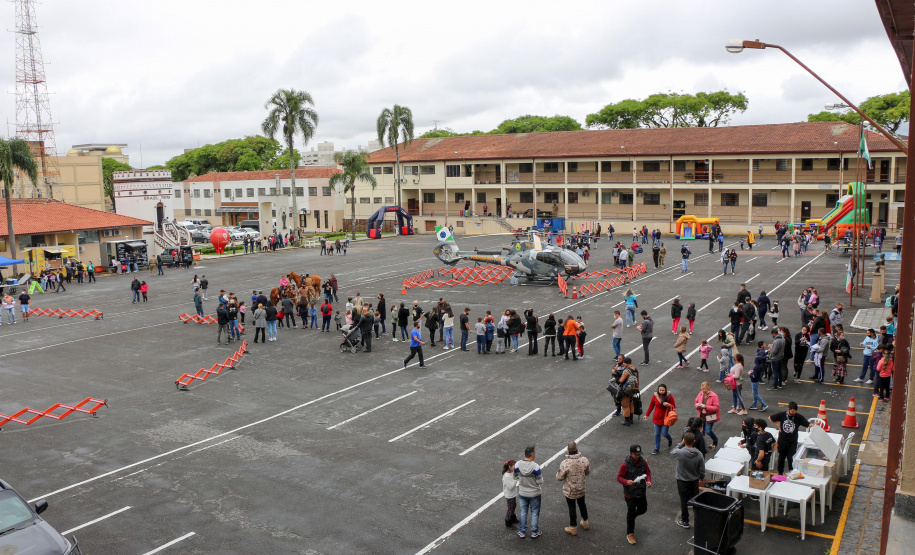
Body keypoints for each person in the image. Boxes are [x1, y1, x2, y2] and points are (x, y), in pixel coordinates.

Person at [617, 444, 652, 545]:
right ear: (630, 453)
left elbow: (648, 473)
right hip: (630, 494)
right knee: (631, 512)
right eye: (635, 454)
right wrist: (626, 482)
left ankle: (631, 517)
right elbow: (619, 477)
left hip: (641, 493)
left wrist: (648, 481)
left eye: (639, 454)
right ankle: (630, 533)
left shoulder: (643, 462)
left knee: (643, 509)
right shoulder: (624, 465)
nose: (637, 456)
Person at [670, 432, 705, 529]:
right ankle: (698, 519)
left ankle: (685, 521)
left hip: (682, 480)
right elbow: (702, 468)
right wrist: (701, 476)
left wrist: (681, 444)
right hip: (694, 480)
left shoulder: (680, 453)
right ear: (694, 441)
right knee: (695, 499)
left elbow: (672, 452)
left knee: (683, 500)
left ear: (684, 440)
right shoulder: (699, 454)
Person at [556, 441, 591, 536]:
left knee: (572, 507)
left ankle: (573, 527)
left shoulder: (565, 463)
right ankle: (585, 522)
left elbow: (559, 477)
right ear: (576, 448)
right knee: (582, 504)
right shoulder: (584, 460)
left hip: (570, 490)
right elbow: (588, 472)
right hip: (581, 488)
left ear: (568, 450)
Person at [769, 402, 809, 475]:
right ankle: (780, 473)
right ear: (788, 409)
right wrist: (778, 425)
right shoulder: (782, 415)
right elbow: (770, 418)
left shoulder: (798, 417)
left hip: (792, 441)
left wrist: (815, 424)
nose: (793, 413)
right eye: (791, 412)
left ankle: (792, 472)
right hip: (782, 440)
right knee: (781, 458)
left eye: (794, 412)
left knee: (791, 458)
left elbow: (807, 424)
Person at [514, 446, 543, 539]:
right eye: (535, 452)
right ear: (532, 455)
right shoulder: (536, 466)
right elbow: (540, 481)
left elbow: (515, 477)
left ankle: (522, 531)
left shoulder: (518, 464)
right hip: (534, 493)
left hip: (522, 492)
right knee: (534, 512)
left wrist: (522, 480)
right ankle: (534, 531)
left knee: (523, 512)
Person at [644, 384, 676, 454]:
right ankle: (657, 448)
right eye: (660, 390)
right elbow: (651, 406)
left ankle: (670, 438)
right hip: (656, 418)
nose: (661, 391)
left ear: (665, 390)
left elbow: (674, 406)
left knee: (664, 433)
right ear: (658, 390)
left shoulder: (669, 396)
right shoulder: (655, 396)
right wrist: (647, 415)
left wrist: (669, 405)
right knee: (657, 434)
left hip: (666, 418)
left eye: (663, 390)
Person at [695, 382, 720, 450]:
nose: (703, 390)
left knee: (708, 431)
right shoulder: (700, 394)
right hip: (701, 416)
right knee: (701, 432)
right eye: (702, 389)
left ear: (708, 388)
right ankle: (701, 445)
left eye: (705, 389)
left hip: (710, 416)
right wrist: (697, 406)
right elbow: (696, 401)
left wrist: (706, 407)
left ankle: (715, 439)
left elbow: (716, 407)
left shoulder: (714, 396)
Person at [749, 343, 769, 410]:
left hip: (754, 381)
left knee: (755, 394)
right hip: (757, 381)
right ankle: (754, 404)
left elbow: (754, 376)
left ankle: (764, 404)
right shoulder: (759, 366)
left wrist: (750, 374)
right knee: (755, 393)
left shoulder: (756, 367)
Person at [503, 460, 520, 528]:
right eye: (514, 466)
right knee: (510, 508)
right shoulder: (506, 476)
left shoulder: (512, 472)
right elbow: (510, 486)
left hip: (513, 493)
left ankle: (513, 518)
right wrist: (516, 479)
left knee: (514, 505)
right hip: (509, 495)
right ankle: (508, 521)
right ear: (509, 467)